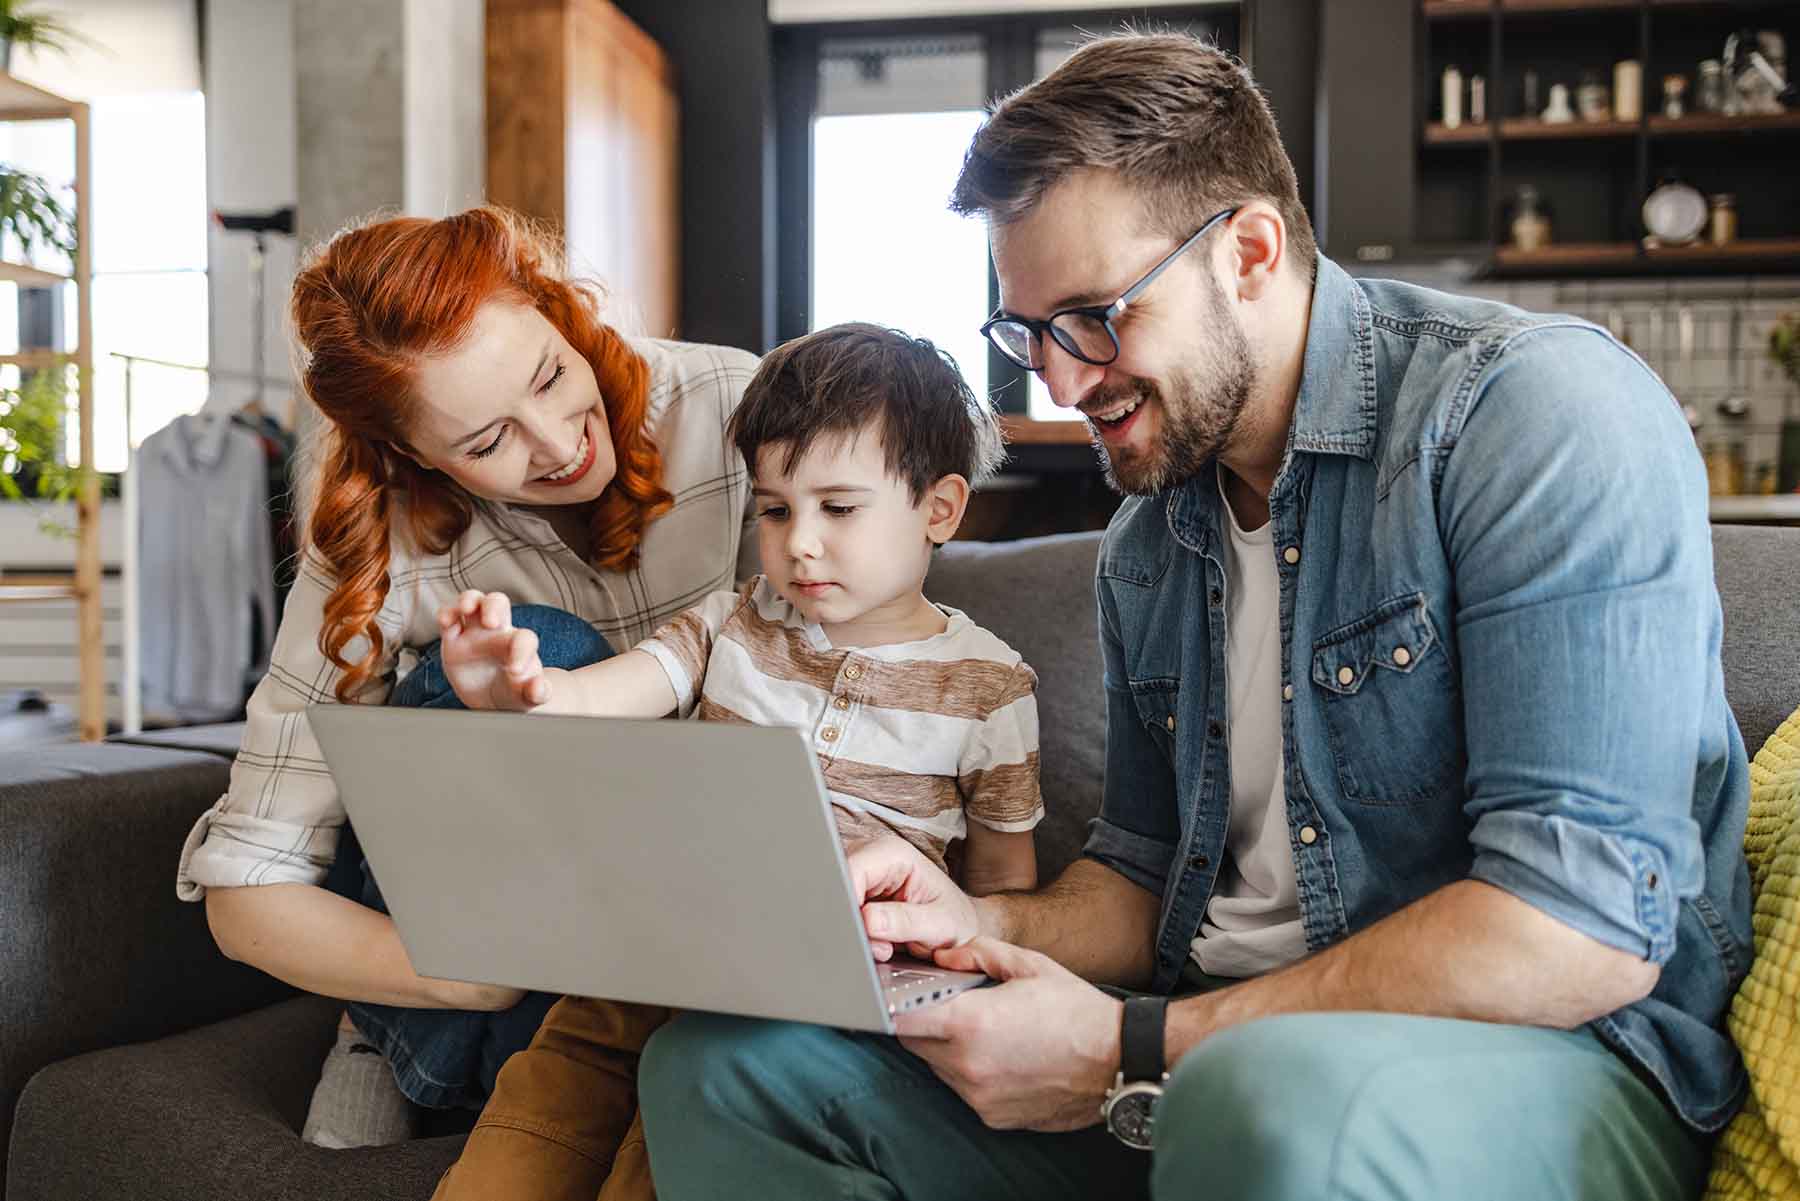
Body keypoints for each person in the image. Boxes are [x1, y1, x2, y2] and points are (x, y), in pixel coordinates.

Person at [636, 33, 1752, 1201]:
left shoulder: (1530, 418)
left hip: (1546, 1064)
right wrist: (973, 918)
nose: (1062, 383)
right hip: (1197, 1051)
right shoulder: (1151, 540)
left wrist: (1135, 1051)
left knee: (1259, 1098)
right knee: (725, 1068)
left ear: (1252, 253)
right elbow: (1141, 870)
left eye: (1094, 317)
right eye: (1027, 335)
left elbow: (1576, 925)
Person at [174, 205, 761, 1148]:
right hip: (511, 930)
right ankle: (388, 1032)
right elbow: (247, 891)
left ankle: (389, 1040)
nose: (559, 442)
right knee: (543, 647)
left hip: (680, 894)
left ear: (556, 312)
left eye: (550, 375)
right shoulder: (383, 528)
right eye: (487, 443)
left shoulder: (737, 410)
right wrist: (460, 971)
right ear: (413, 455)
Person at [425, 322, 1041, 1201]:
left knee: (673, 1142)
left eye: (839, 507)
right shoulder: (734, 622)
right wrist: (518, 684)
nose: (800, 542)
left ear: (939, 509)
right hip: (656, 945)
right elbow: (609, 691)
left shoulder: (990, 689)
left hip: (798, 1008)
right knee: (543, 1101)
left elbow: (1001, 898)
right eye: (776, 508)